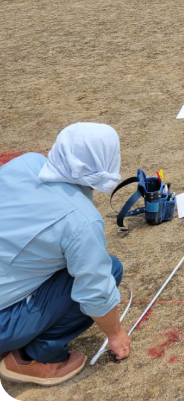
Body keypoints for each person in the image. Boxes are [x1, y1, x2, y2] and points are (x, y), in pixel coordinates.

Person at [0, 123, 131, 386]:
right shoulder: (81, 220)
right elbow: (96, 293)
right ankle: (35, 358)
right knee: (109, 269)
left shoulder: (26, 162)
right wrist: (115, 335)